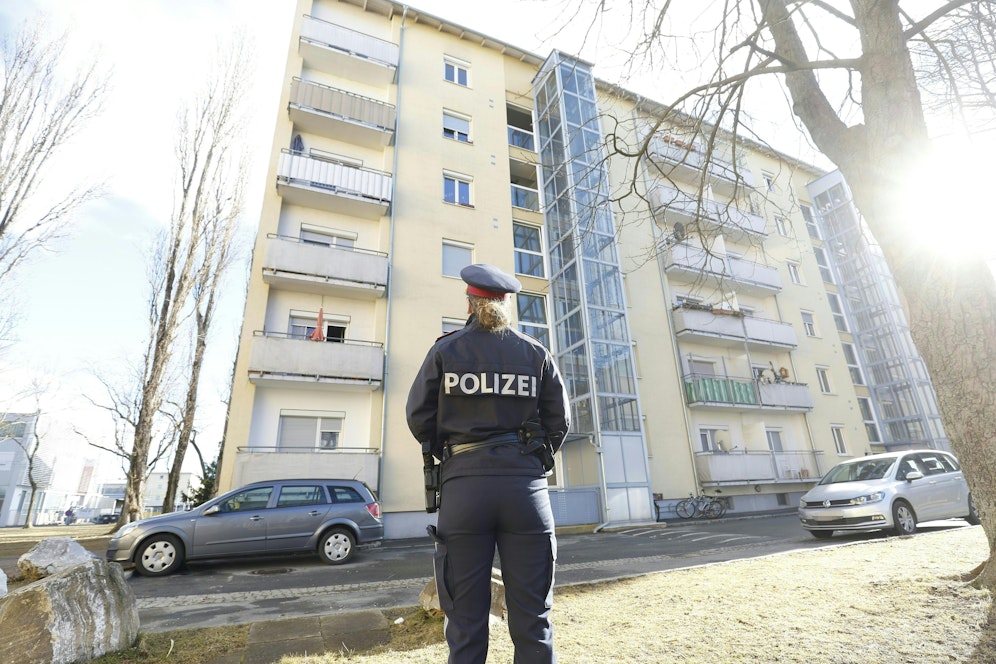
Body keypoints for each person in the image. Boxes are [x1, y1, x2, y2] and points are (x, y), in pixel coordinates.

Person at [406, 263, 571, 664]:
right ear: (506, 306)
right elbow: (559, 421)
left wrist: (454, 451)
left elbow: (418, 417)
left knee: (465, 621)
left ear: (469, 303)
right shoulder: (535, 352)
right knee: (533, 620)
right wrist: (529, 456)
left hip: (464, 488)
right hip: (525, 489)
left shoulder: (445, 350)